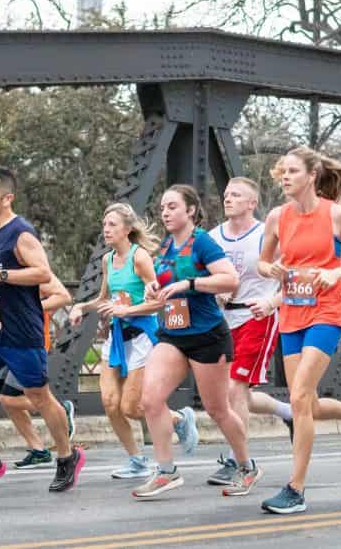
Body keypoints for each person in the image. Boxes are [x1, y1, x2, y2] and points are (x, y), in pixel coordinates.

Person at [257, 147, 341, 514]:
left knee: (298, 398)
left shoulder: (336, 215)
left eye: (293, 171)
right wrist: (271, 271)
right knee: (307, 403)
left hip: (326, 313)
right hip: (292, 313)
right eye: (283, 171)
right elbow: (263, 262)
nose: (285, 177)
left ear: (312, 176)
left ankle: (295, 489)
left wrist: (337, 272)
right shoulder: (276, 218)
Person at [0, 168, 85, 493]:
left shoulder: (21, 233)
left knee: (40, 397)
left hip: (21, 333)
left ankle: (67, 456)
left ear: (7, 197)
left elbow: (43, 273)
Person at [133, 185, 261, 499]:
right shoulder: (166, 246)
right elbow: (167, 281)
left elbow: (230, 279)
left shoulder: (202, 241)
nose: (165, 212)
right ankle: (166, 471)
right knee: (149, 400)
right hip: (173, 335)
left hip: (207, 338)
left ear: (190, 210)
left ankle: (246, 466)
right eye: (163, 207)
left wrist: (190, 283)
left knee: (218, 410)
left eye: (173, 206)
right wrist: (155, 287)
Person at [70, 203, 198, 480]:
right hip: (117, 337)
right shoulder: (107, 260)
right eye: (104, 224)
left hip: (142, 337)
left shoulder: (139, 258)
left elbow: (159, 301)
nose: (106, 229)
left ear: (127, 230)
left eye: (112, 225)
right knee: (109, 401)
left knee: (132, 407)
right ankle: (136, 461)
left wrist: (126, 311)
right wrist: (81, 307)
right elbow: (105, 298)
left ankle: (178, 419)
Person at [206, 177, 295, 486]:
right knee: (234, 393)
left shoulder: (265, 236)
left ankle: (237, 460)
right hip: (222, 319)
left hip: (257, 314)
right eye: (226, 194)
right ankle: (288, 412)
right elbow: (203, 274)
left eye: (236, 195)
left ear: (252, 203)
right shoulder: (213, 237)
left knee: (234, 389)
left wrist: (273, 301)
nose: (228, 199)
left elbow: (296, 278)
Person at [0, 275, 77, 469]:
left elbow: (64, 297)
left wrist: (31, 309)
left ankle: (60, 410)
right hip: (5, 341)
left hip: (28, 343)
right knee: (8, 401)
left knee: (8, 399)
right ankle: (38, 450)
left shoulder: (33, 272)